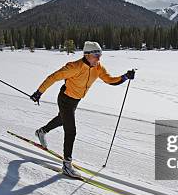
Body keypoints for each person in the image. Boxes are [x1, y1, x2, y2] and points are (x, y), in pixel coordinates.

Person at [30, 41, 135, 177]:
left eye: (100, 54)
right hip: (65, 99)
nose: (99, 58)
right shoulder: (74, 67)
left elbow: (110, 80)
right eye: (96, 55)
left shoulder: (98, 68)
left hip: (76, 100)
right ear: (87, 55)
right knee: (71, 131)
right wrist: (39, 92)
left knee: (62, 119)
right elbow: (53, 77)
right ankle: (67, 165)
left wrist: (125, 77)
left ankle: (41, 131)